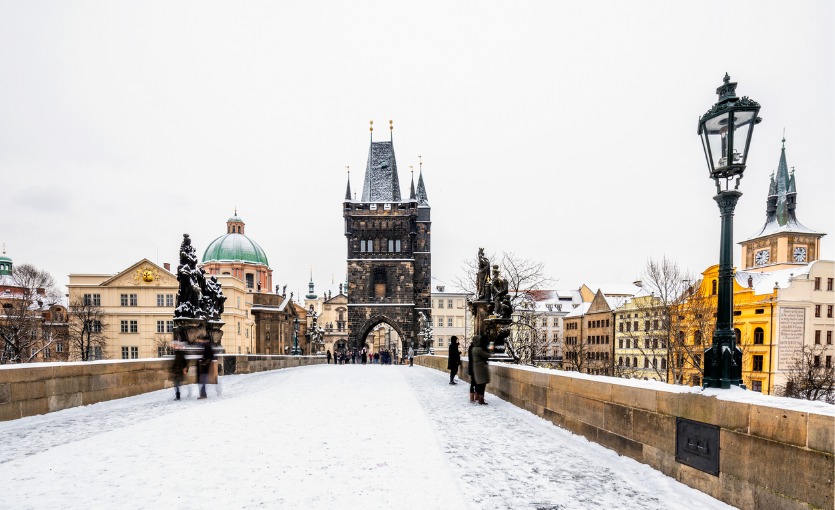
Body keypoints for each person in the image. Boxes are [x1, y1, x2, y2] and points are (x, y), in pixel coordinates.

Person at [471, 335, 491, 405]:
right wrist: (490, 350)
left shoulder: (474, 348)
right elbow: (486, 355)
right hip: (481, 368)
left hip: (477, 368)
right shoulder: (478, 349)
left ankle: (478, 398)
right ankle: (481, 400)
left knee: (479, 384)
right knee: (482, 384)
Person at [467, 337, 476, 402]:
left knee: (473, 382)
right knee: (474, 383)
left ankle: (472, 397)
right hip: (474, 367)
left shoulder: (470, 347)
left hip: (471, 367)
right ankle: (474, 397)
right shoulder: (474, 348)